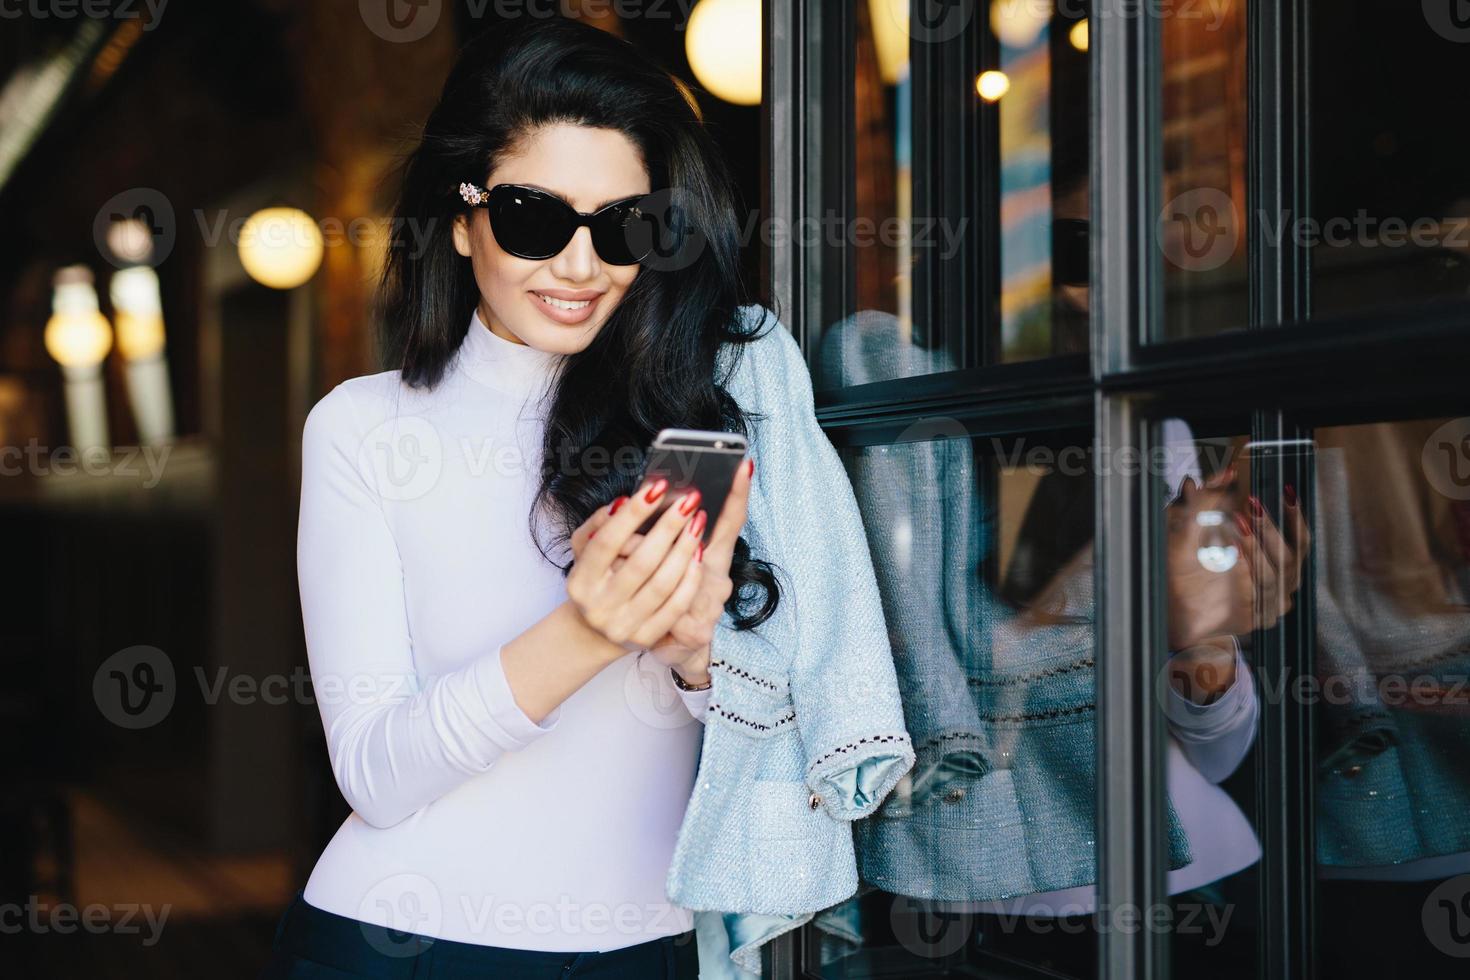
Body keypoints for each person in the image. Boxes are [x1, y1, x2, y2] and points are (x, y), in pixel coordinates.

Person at [260, 18, 787, 979]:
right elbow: (376, 777)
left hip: (648, 948)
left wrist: (695, 657)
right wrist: (589, 630)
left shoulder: (709, 419)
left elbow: (786, 746)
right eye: (535, 219)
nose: (582, 268)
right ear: (461, 222)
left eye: (623, 226)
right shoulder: (365, 430)